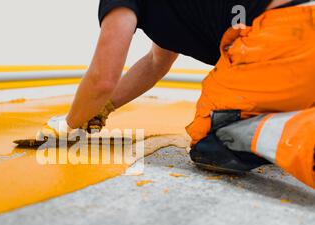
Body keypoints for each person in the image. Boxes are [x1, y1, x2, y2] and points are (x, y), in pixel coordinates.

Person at [44, 0, 315, 188]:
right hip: (300, 32)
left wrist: (70, 125)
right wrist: (104, 108)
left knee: (214, 138)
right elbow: (155, 63)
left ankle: (300, 133)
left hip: (285, 32)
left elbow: (102, 79)